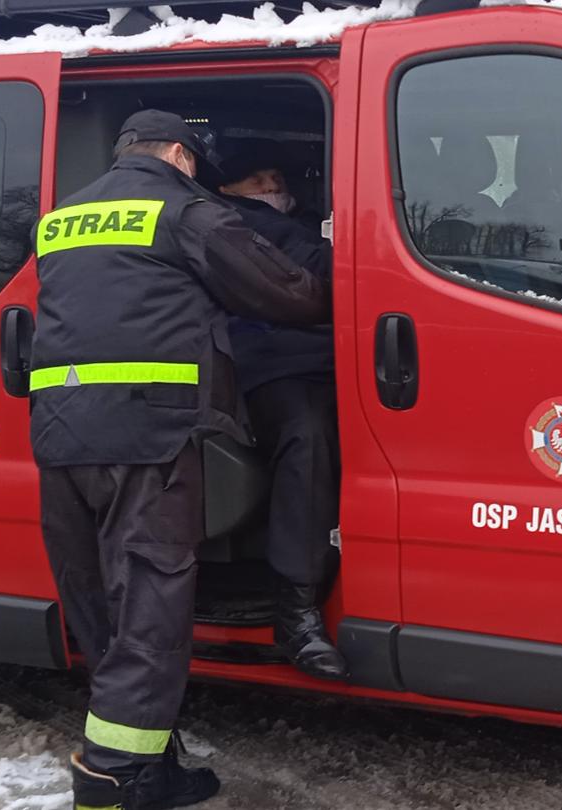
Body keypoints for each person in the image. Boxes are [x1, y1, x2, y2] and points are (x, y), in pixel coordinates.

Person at [31, 110, 328, 810]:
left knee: (102, 608)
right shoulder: (185, 212)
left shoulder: (62, 218)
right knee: (151, 611)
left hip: (61, 436)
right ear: (178, 155)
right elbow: (286, 291)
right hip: (150, 440)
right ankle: (111, 779)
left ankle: (151, 764)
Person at [213, 140, 347, 681]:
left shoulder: (306, 221)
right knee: (306, 434)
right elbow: (321, 263)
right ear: (226, 189)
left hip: (328, 359)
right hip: (266, 368)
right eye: (256, 180)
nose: (272, 188)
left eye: (275, 177)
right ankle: (296, 612)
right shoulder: (230, 223)